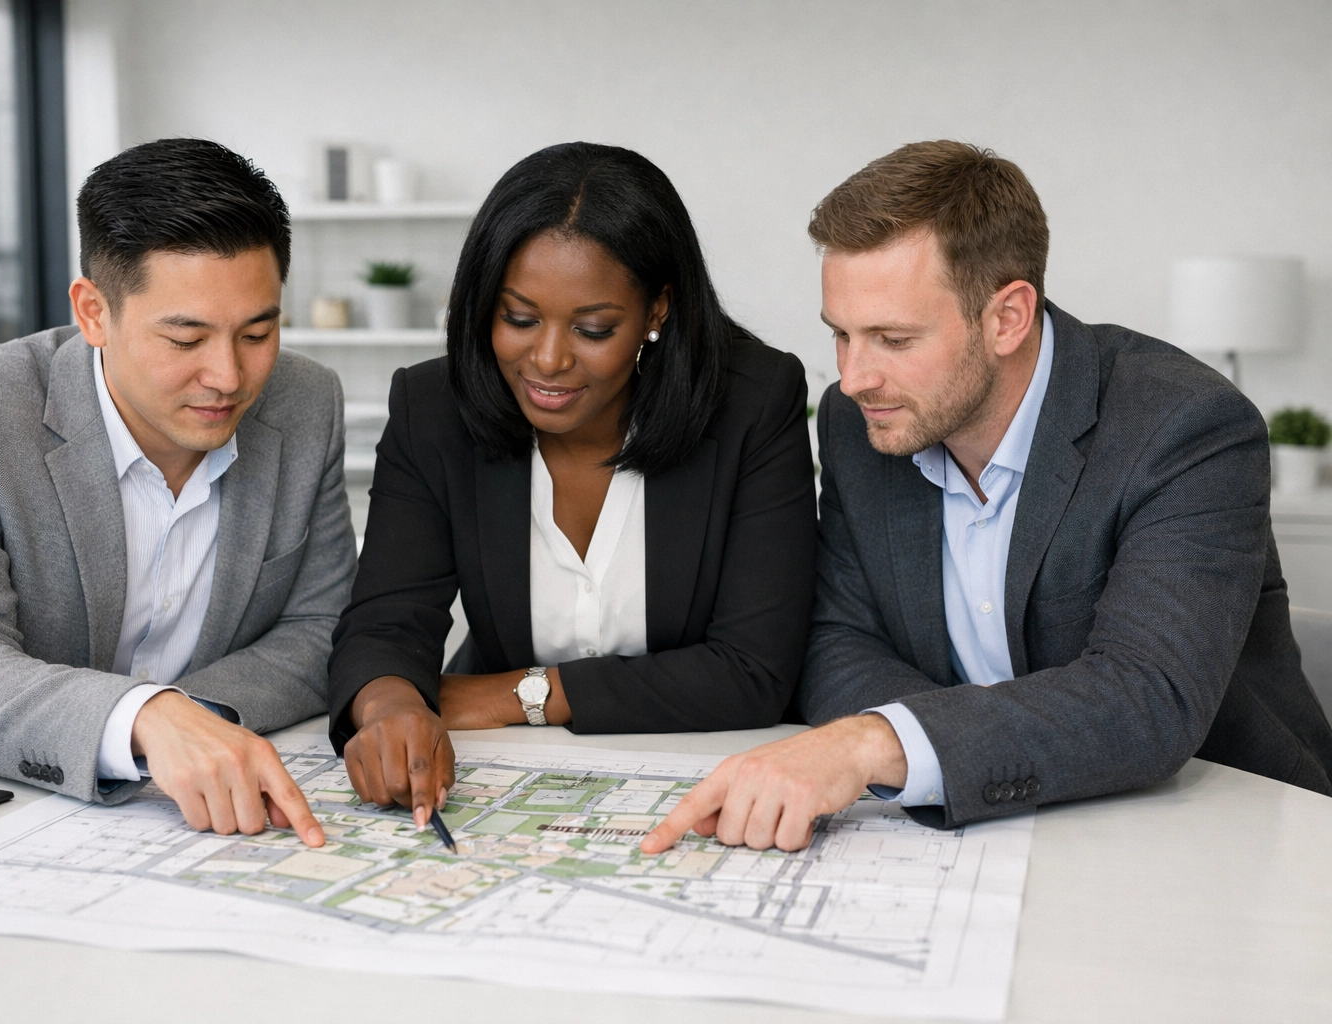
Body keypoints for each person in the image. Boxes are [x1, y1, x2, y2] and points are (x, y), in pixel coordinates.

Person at [643, 140, 1332, 855]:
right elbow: (835, 638)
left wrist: (873, 743)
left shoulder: (1186, 427)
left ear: (1007, 318)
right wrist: (927, 750)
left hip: (1224, 834)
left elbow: (1145, 697)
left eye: (892, 338)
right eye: (841, 335)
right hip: (988, 835)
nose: (853, 378)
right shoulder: (861, 425)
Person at [0, 138, 360, 847]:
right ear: (93, 313)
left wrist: (184, 720)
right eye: (185, 339)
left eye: (259, 331)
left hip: (168, 824)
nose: (229, 377)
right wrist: (142, 719)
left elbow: (321, 629)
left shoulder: (307, 404)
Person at [328, 142, 817, 827]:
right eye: (519, 318)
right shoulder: (431, 409)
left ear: (656, 311)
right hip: (508, 785)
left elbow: (752, 671)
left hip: (713, 777)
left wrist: (517, 695)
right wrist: (393, 708)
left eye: (593, 329)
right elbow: (386, 621)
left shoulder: (753, 402)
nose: (549, 359)